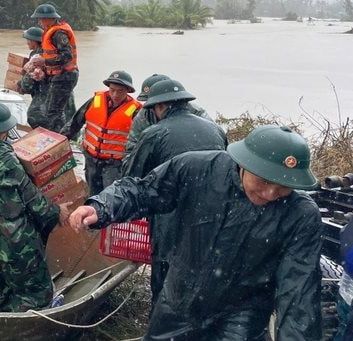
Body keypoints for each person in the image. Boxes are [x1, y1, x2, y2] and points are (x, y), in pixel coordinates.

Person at [69, 125, 322, 340]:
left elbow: (299, 292)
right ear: (244, 164)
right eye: (264, 181)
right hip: (179, 299)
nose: (270, 194)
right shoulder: (199, 169)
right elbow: (143, 190)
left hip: (242, 314)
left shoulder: (300, 215)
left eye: (282, 188)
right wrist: (102, 207)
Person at [120, 78, 227, 304]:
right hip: (212, 217)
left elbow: (131, 178)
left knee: (165, 275)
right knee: (202, 273)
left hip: (170, 217)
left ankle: (161, 326)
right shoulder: (216, 129)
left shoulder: (155, 133)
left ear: (160, 107)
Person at [0, 103, 69, 311]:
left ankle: (1, 324)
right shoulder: (8, 160)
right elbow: (34, 202)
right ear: (4, 130)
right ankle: (35, 325)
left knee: (2, 289)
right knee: (37, 289)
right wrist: (58, 212)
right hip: (16, 242)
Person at [61, 70, 142, 194]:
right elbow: (75, 123)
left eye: (120, 91)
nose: (115, 95)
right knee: (93, 194)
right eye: (112, 90)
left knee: (110, 196)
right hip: (91, 159)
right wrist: (59, 141)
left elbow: (141, 140)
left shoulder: (135, 112)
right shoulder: (95, 101)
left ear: (128, 91)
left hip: (114, 165)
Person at [125, 73, 214, 156]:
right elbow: (132, 147)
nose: (151, 106)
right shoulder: (144, 116)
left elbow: (211, 139)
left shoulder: (197, 112)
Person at [30, 3, 78, 133]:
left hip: (65, 75)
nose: (39, 22)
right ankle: (58, 137)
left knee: (54, 112)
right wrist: (43, 69)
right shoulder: (51, 32)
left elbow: (66, 56)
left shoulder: (59, 33)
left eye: (40, 19)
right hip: (60, 75)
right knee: (53, 110)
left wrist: (44, 61)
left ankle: (58, 139)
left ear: (48, 19)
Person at [16, 26, 47, 128]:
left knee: (33, 117)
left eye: (28, 40)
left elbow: (27, 85)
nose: (27, 42)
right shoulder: (50, 52)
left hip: (45, 95)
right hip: (60, 96)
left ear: (34, 41)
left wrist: (19, 84)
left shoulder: (36, 57)